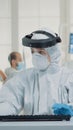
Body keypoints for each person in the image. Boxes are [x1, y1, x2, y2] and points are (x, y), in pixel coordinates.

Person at [0, 29, 73, 115]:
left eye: (41, 52)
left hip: (63, 128)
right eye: (33, 52)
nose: (36, 56)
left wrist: (70, 109)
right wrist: (4, 109)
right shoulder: (25, 77)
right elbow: (10, 100)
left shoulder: (68, 77)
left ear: (53, 53)